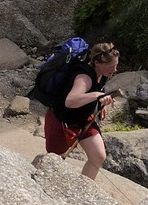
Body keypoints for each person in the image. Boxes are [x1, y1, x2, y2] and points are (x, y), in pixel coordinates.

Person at [44, 41, 120, 180]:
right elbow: (70, 101)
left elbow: (97, 90)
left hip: (83, 119)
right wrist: (97, 96)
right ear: (97, 63)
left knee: (98, 156)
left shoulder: (102, 74)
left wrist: (100, 103)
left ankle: (84, 189)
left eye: (116, 65)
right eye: (111, 66)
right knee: (55, 159)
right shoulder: (84, 77)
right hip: (61, 120)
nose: (114, 70)